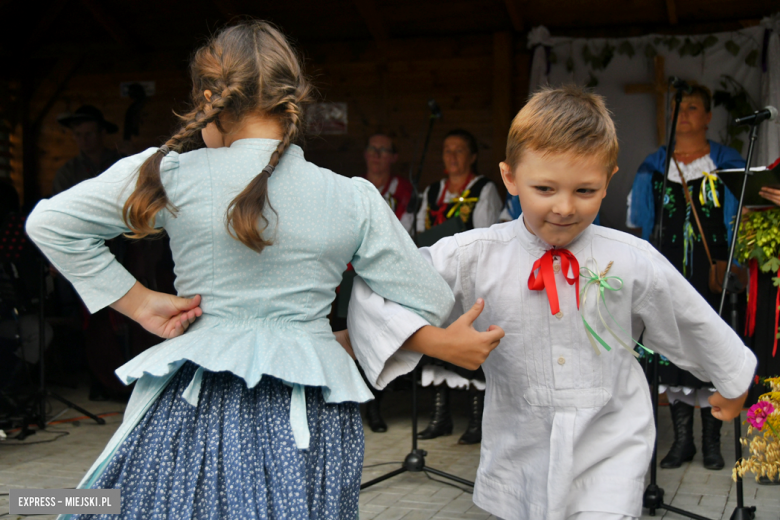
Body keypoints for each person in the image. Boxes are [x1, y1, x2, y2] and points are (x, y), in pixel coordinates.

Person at [25, 21, 499, 519]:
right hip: (314, 414)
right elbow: (425, 297)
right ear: (292, 100)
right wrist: (337, 337)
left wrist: (139, 301)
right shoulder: (352, 197)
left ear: (209, 99)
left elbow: (51, 223)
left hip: (196, 404)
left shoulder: (171, 174)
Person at [345, 85, 755, 520]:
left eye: (584, 191)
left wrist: (732, 379)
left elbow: (689, 318)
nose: (563, 207)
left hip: (611, 443)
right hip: (520, 447)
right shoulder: (474, 254)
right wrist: (436, 343)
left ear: (608, 181)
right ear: (510, 178)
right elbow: (379, 287)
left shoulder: (633, 259)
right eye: (544, 188)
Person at [628, 84, 745, 471]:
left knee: (710, 347)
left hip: (713, 277)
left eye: (694, 107)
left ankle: (712, 443)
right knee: (671, 348)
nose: (685, 113)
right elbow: (638, 222)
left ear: (709, 117)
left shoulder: (728, 162)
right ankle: (682, 442)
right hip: (668, 272)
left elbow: (745, 219)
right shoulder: (653, 166)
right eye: (680, 107)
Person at [412, 128, 502, 444]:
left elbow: (487, 234)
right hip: (437, 279)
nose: (451, 156)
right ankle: (441, 417)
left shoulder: (484, 189)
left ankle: (476, 420)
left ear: (473, 156)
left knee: (467, 338)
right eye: (447, 150)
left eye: (459, 150)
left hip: (469, 279)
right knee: (439, 343)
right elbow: (420, 229)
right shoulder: (431, 191)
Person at [360, 133, 413, 432]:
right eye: (372, 148)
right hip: (350, 274)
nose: (377, 154)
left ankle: (375, 406)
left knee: (378, 338)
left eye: (384, 150)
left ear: (393, 157)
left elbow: (404, 235)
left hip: (386, 274)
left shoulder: (405, 191)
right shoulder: (354, 185)